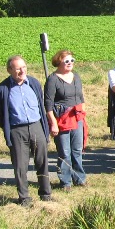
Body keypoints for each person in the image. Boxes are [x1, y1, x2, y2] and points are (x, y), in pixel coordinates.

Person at [0, 55, 52, 206]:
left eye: (24, 67)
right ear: (9, 70)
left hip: (36, 126)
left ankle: (45, 194)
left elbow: (41, 105)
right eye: (18, 68)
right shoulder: (3, 89)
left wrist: (44, 127)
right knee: (20, 166)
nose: (22, 71)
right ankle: (24, 198)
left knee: (42, 161)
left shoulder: (33, 83)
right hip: (17, 130)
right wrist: (10, 129)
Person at [44, 49, 87, 189]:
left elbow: (81, 97)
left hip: (77, 118)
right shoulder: (53, 79)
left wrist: (83, 115)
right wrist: (53, 123)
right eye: (66, 61)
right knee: (65, 152)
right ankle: (65, 181)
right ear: (59, 62)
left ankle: (79, 179)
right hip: (62, 120)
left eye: (72, 60)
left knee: (77, 150)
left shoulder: (76, 76)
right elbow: (48, 104)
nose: (70, 63)